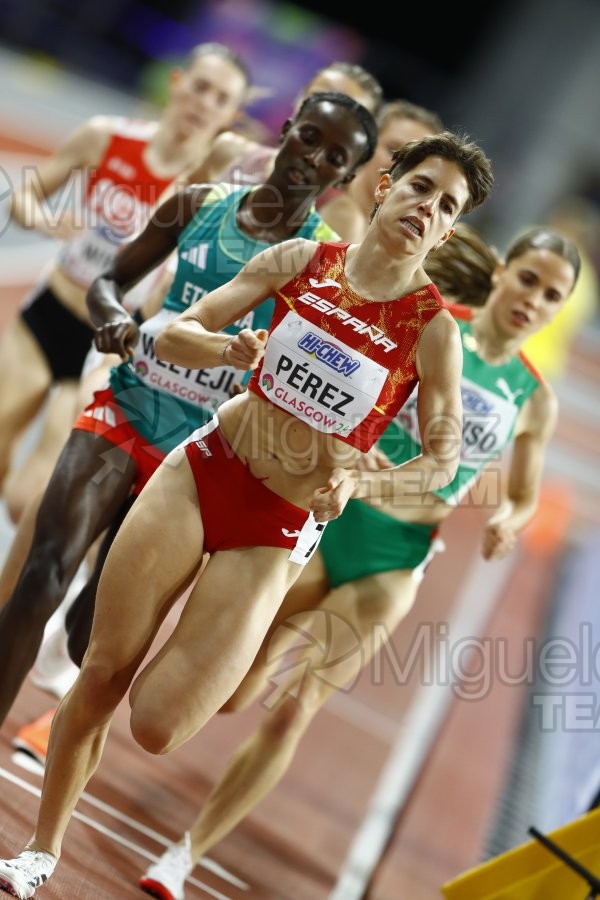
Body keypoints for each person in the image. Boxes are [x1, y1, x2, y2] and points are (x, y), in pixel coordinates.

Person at [0, 130, 494, 899]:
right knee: (102, 670)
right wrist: (229, 354)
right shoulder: (304, 261)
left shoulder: (434, 330)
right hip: (205, 472)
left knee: (158, 724)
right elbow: (182, 331)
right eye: (421, 187)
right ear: (387, 184)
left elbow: (441, 461)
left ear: (450, 230)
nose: (427, 209)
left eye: (447, 207)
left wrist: (363, 480)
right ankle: (41, 850)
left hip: (277, 527)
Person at [138, 223, 581, 900]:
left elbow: (523, 495)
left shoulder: (534, 399)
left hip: (394, 560)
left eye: (553, 295)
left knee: (295, 707)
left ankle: (185, 853)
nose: (534, 300)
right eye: (528, 280)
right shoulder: (432, 325)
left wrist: (508, 519)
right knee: (233, 693)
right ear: (502, 273)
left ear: (560, 309)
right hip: (327, 518)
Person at [0, 91, 378, 748]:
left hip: (200, 456)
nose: (312, 159)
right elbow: (108, 282)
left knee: (96, 632)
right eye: (309, 137)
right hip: (127, 407)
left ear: (342, 180)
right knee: (44, 569)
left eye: (334, 157)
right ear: (286, 132)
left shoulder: (324, 268)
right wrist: (113, 317)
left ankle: (58, 721)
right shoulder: (199, 203)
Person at [0, 42, 252, 525]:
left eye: (221, 99)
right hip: (49, 314)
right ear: (177, 84)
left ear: (231, 116)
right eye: (200, 87)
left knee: (25, 498)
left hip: (109, 341)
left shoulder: (213, 194)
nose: (204, 104)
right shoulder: (105, 136)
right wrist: (48, 220)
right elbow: (25, 196)